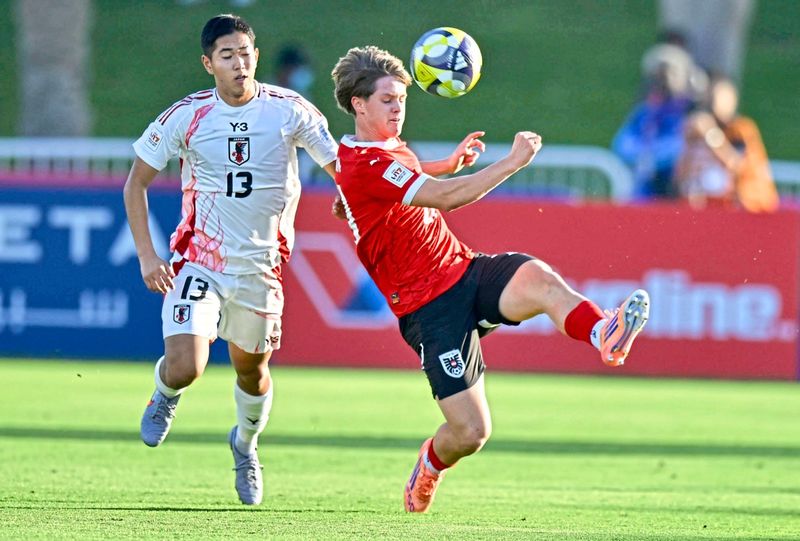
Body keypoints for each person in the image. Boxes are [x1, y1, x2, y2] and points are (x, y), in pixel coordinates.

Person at [329, 46, 651, 513]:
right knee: (472, 433)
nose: (398, 109)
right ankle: (430, 463)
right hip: (427, 308)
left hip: (464, 269)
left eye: (402, 99)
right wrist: (512, 162)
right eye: (387, 100)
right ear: (359, 105)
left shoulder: (381, 150)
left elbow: (397, 181)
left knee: (538, 278)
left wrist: (446, 165)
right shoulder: (365, 163)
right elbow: (445, 198)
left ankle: (604, 332)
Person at [123, 14, 338, 505]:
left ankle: (245, 444)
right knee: (185, 366)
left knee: (251, 373)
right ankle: (165, 395)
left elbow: (339, 167)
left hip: (261, 268)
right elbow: (135, 184)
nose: (239, 63)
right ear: (208, 64)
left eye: (245, 53)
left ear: (256, 56)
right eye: (227, 56)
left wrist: (347, 194)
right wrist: (147, 256)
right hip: (200, 260)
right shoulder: (187, 115)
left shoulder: (290, 110)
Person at [611, 33, 703, 199]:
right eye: (658, 74)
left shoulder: (691, 112)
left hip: (681, 187)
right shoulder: (645, 112)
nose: (663, 80)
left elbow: (684, 145)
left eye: (670, 73)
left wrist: (654, 156)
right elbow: (622, 143)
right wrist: (644, 157)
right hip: (647, 187)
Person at [673, 75, 779, 212]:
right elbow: (680, 174)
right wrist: (689, 141)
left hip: (750, 204)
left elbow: (735, 164)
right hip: (713, 203)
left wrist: (709, 134)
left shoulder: (741, 129)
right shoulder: (705, 129)